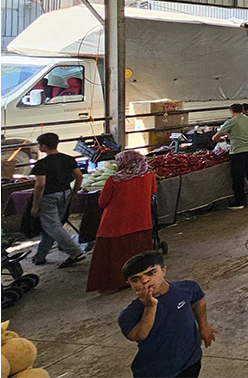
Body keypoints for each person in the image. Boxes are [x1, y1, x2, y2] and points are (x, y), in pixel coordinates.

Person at [119, 251, 216, 378]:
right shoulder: (129, 314)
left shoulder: (187, 288)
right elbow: (139, 335)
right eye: (136, 279)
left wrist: (203, 326)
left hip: (191, 361)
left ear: (164, 270)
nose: (145, 280)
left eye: (151, 272)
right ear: (129, 284)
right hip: (157, 372)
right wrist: (150, 307)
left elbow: (199, 299)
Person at [88, 151, 157, 292]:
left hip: (115, 225)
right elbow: (152, 192)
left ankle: (114, 284)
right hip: (141, 220)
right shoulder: (149, 175)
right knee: (139, 254)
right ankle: (142, 281)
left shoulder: (114, 180)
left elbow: (102, 202)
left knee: (115, 257)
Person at [30, 132, 86, 267]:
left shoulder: (41, 164)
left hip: (49, 196)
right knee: (52, 226)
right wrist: (74, 192)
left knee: (53, 226)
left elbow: (40, 185)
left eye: (39, 145)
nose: (38, 147)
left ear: (44, 146)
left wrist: (35, 206)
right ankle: (40, 256)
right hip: (65, 193)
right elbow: (79, 176)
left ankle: (75, 251)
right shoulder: (68, 159)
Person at [214, 103, 248, 210]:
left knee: (238, 177)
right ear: (243, 110)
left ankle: (239, 202)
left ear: (232, 111)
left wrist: (220, 139)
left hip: (238, 151)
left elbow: (215, 137)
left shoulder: (231, 121)